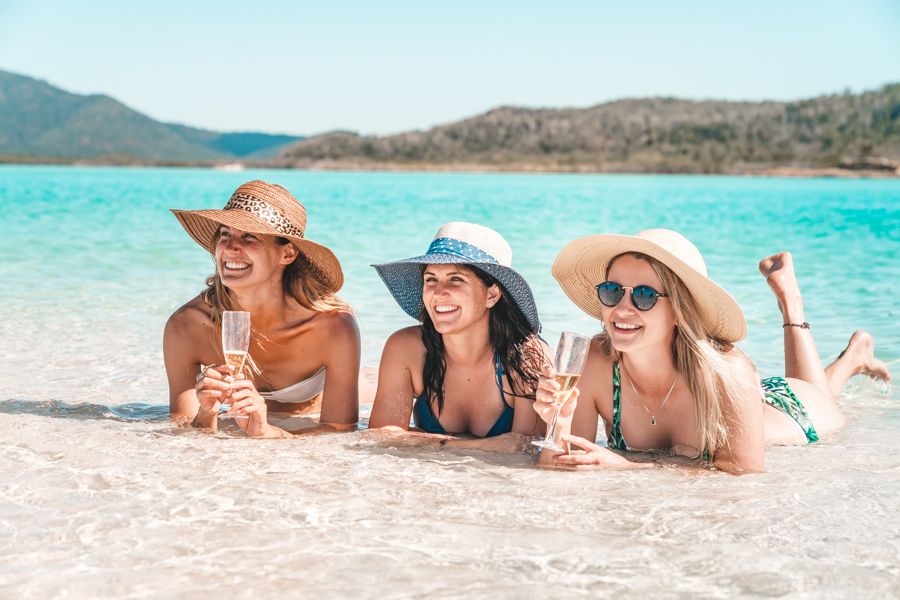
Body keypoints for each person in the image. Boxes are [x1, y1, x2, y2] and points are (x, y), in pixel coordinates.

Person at [534, 229, 891, 473]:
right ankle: (854, 357)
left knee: (822, 393)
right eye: (612, 291)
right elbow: (565, 463)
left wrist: (627, 468)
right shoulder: (596, 361)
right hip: (751, 398)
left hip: (795, 412)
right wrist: (557, 425)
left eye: (644, 295)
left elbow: (744, 478)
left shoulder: (729, 372)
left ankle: (794, 308)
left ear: (680, 309)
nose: (622, 308)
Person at [164, 180, 361, 438]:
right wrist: (208, 412)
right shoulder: (186, 326)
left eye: (248, 236)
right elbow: (181, 432)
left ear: (287, 255)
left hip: (306, 421)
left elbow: (339, 433)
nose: (232, 247)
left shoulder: (332, 326)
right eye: (225, 234)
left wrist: (270, 433)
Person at [368, 222, 548, 451]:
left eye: (456, 279)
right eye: (431, 279)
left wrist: (420, 441)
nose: (438, 292)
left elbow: (529, 451)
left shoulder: (527, 357)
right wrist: (479, 446)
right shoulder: (406, 348)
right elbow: (381, 439)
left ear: (491, 295)